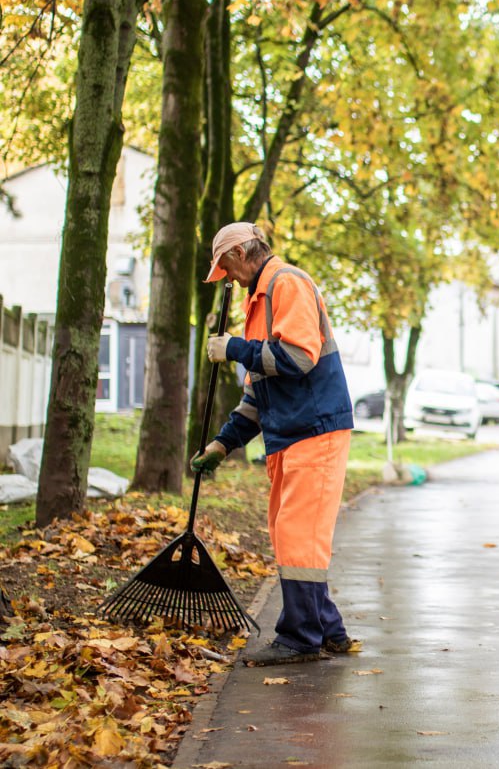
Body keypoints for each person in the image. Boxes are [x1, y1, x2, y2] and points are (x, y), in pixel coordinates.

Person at [189, 222, 358, 666]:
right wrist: (221, 446)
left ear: (244, 252)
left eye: (227, 267)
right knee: (289, 532)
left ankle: (300, 638)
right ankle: (328, 629)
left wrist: (236, 349)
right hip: (290, 431)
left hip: (315, 428)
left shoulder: (288, 284)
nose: (227, 278)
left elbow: (299, 358)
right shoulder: (258, 300)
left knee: (298, 533)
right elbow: (256, 395)